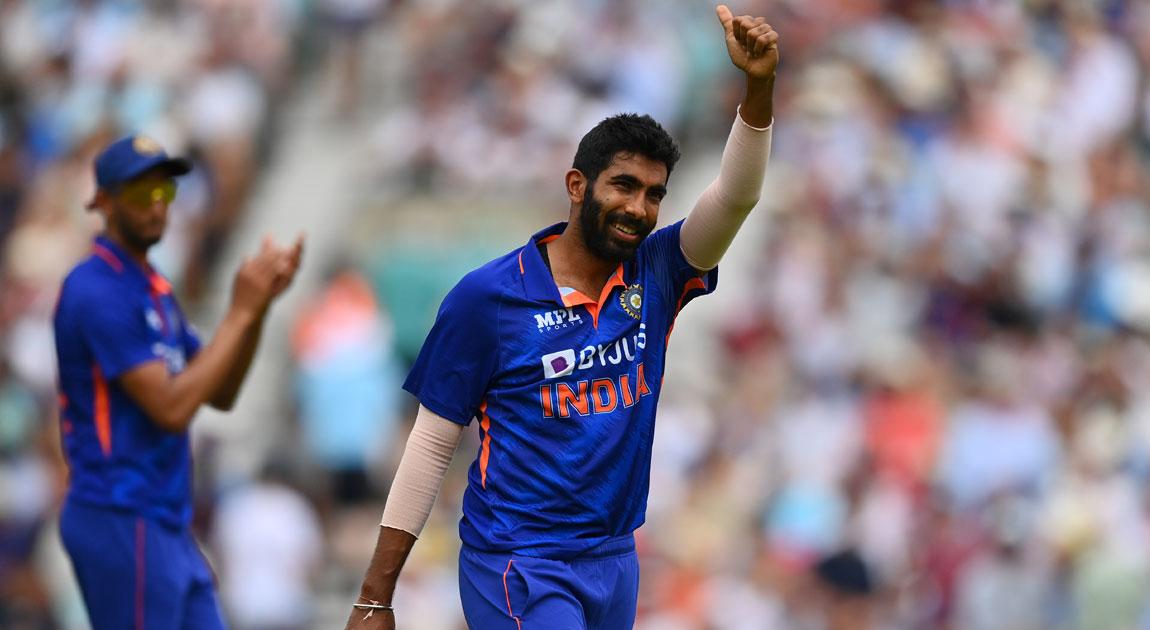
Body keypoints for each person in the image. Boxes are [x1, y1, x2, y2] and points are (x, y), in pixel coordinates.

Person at [347, 5, 777, 629]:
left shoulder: (657, 271)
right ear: (578, 185)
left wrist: (758, 88)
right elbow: (432, 445)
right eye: (623, 185)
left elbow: (736, 197)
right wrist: (375, 597)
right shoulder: (488, 299)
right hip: (521, 562)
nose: (639, 208)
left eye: (654, 194)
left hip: (614, 561)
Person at [53, 134, 303, 629]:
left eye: (164, 191)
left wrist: (256, 312)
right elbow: (170, 409)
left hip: (163, 519)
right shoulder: (95, 289)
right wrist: (239, 311)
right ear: (103, 202)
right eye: (139, 192)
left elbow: (221, 391)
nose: (156, 206)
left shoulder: (154, 289)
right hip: (119, 512)